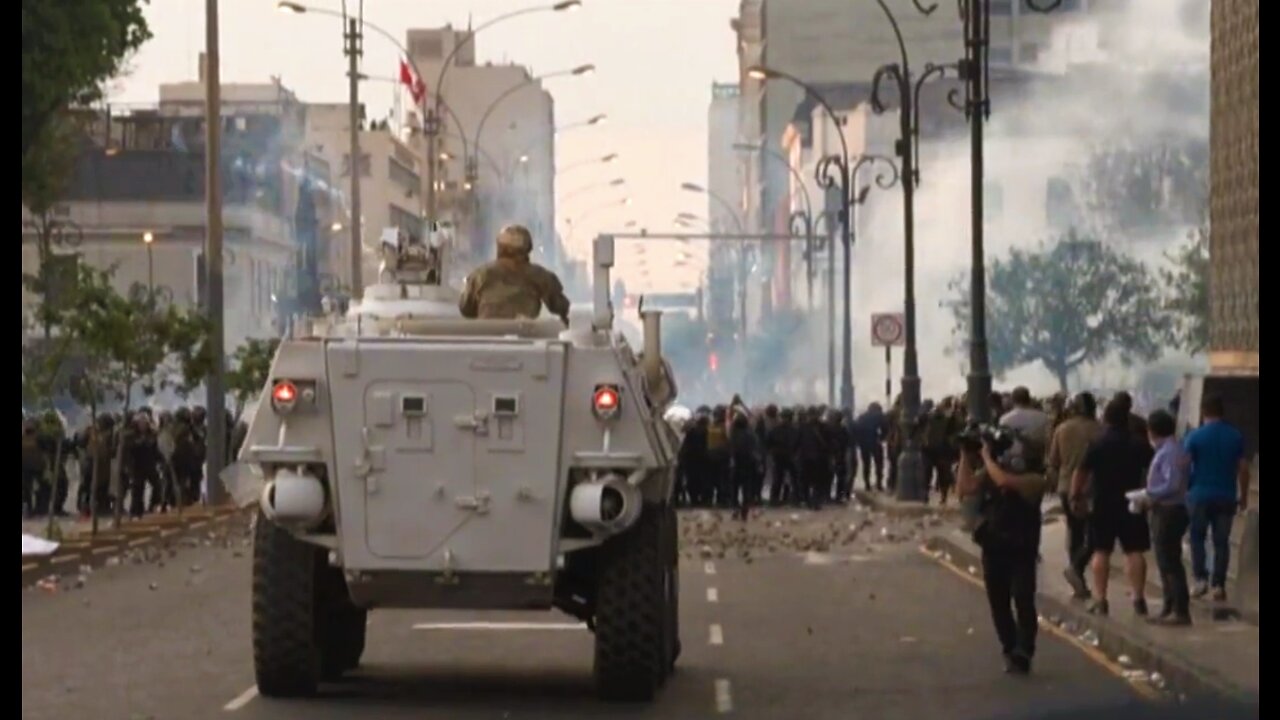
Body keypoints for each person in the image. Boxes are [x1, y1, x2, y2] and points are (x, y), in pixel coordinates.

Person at [957, 428, 1049, 675]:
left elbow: (1004, 482)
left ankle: (1024, 650)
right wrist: (965, 455)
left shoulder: (1035, 480)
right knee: (998, 603)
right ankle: (1010, 648)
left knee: (1023, 598)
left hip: (1022, 549)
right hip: (994, 546)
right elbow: (965, 487)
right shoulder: (993, 471)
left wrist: (986, 458)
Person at [1071, 399, 1152, 617]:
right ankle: (1138, 599)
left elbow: (1081, 472)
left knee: (1101, 551)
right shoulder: (1138, 443)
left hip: (1102, 503)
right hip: (1132, 502)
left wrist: (1075, 495)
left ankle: (1100, 599)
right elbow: (1152, 469)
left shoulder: (1097, 443)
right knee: (1134, 551)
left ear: (1106, 418)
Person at [1182, 394, 1250, 602]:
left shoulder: (1195, 436)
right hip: (1226, 496)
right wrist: (1244, 495)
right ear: (1222, 413)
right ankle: (1218, 585)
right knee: (1222, 541)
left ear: (1204, 413)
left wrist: (1183, 491)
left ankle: (1200, 579)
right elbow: (1244, 469)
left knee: (1197, 538)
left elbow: (1184, 466)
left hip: (1199, 495)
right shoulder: (1235, 436)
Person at [1047, 392, 1102, 600]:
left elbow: (1053, 460)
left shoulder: (1062, 429)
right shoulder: (1099, 430)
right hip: (1092, 489)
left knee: (1075, 531)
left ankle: (1076, 575)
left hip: (1066, 486)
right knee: (1095, 534)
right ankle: (1076, 569)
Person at [458, 224, 571, 324]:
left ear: (499, 248)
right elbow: (561, 307)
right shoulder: (540, 276)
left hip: (488, 338)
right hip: (524, 339)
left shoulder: (480, 275)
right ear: (527, 249)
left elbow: (466, 309)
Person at [1142, 409, 1192, 625]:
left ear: (1153, 431)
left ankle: (1180, 610)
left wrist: (1150, 493)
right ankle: (1169, 605)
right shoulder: (1170, 450)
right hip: (1166, 508)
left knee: (1170, 561)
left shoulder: (1170, 452)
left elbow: (1171, 484)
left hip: (1169, 509)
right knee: (1164, 561)